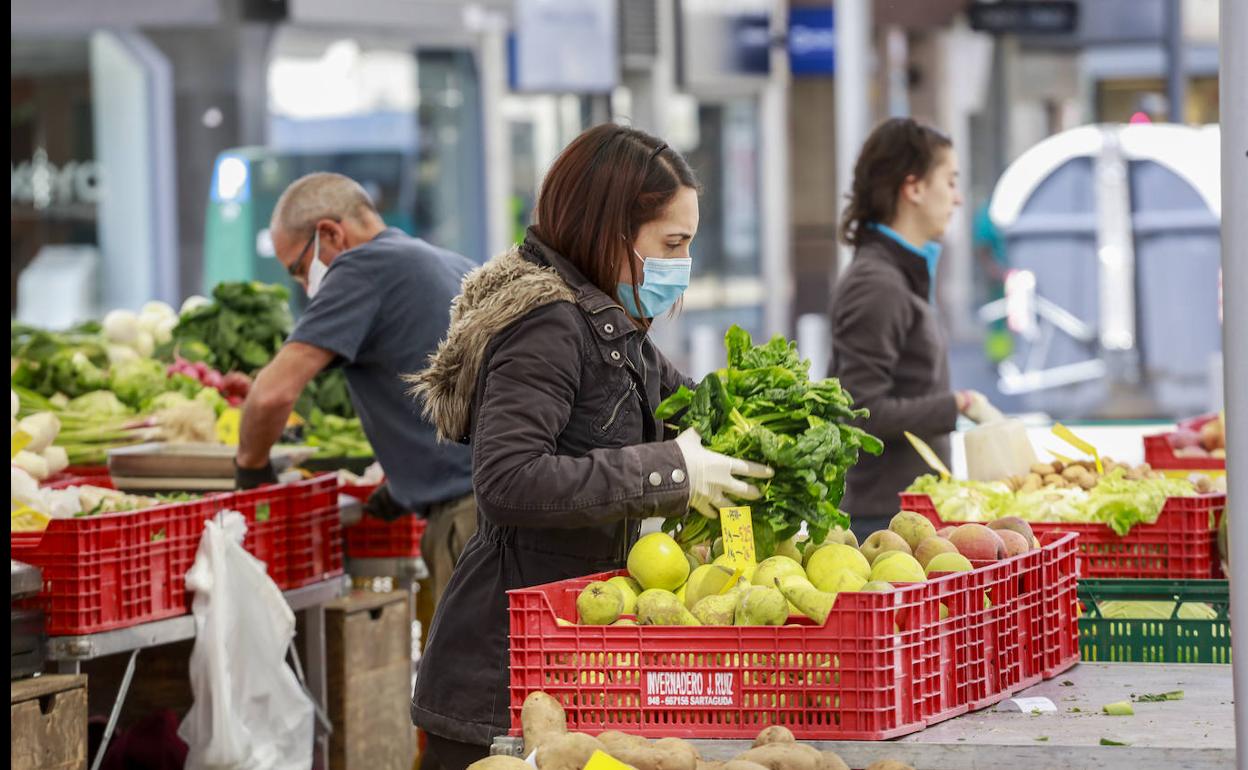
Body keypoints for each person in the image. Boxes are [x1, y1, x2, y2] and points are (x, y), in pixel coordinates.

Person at [405, 125, 772, 769]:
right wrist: (673, 472)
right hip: (501, 681)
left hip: (565, 664)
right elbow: (508, 479)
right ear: (610, 232)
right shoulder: (547, 325)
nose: (684, 264)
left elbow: (690, 410)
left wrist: (767, 433)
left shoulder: (610, 325)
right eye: (673, 244)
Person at [234, 172, 478, 624]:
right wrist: (403, 487)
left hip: (468, 518)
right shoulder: (448, 263)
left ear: (330, 234)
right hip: (500, 502)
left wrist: (251, 473)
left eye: (299, 268)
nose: (305, 286)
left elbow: (271, 396)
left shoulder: (362, 267)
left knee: (475, 665)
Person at [829, 118, 1000, 538]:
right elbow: (861, 410)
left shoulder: (898, 275)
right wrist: (955, 405)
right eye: (950, 181)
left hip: (906, 519)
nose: (958, 198)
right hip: (884, 524)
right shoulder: (876, 284)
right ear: (914, 188)